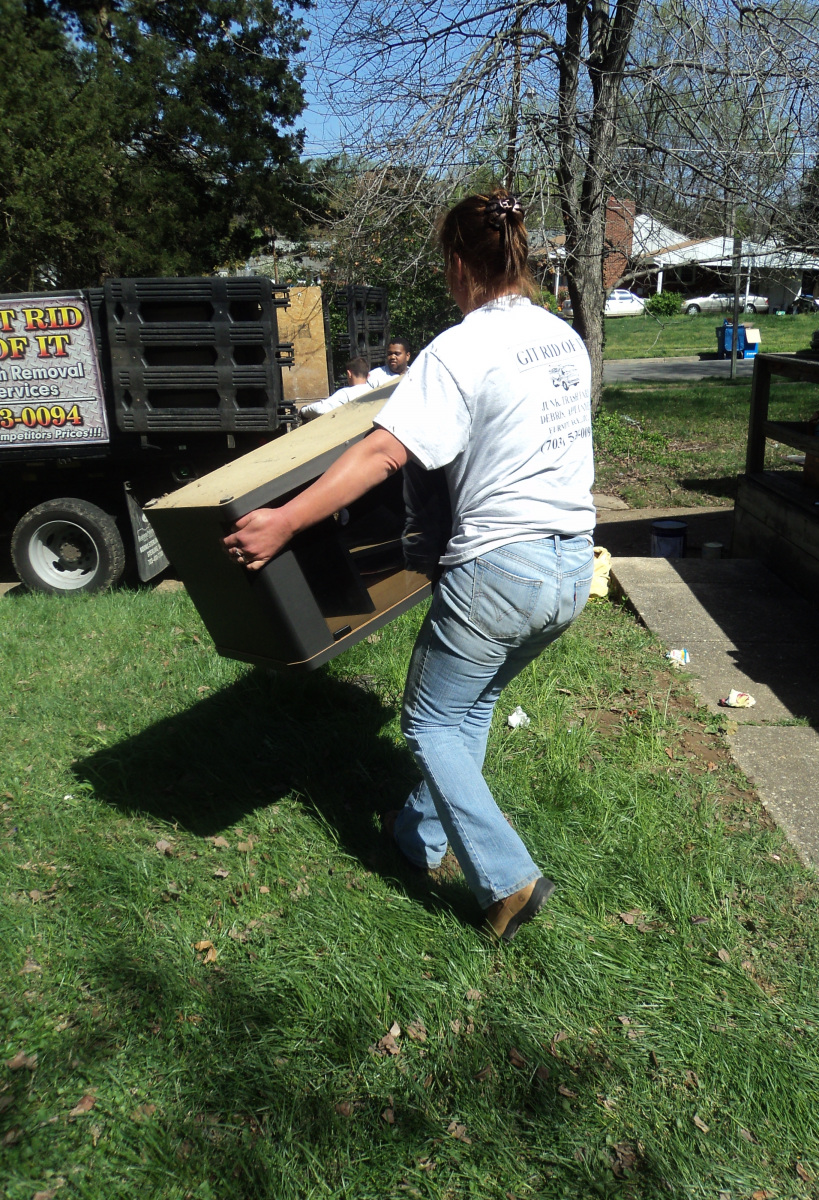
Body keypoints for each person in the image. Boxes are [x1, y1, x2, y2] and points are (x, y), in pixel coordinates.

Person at [223, 188, 596, 942]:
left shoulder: (459, 349)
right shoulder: (562, 338)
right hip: (570, 567)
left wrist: (285, 520)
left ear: (457, 262)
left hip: (501, 569)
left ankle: (509, 880)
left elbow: (384, 453)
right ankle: (419, 837)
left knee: (429, 723)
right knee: (472, 706)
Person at [299, 355, 370, 421]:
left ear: (349, 374)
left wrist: (303, 411)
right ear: (368, 376)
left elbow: (319, 409)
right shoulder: (373, 392)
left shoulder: (346, 394)